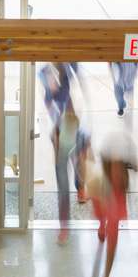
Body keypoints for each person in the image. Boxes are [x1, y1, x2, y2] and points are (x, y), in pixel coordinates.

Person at [91, 130, 137, 277]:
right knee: (103, 220)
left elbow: (136, 167)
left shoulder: (117, 162)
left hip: (114, 202)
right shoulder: (104, 173)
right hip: (106, 196)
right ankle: (102, 227)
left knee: (112, 237)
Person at [40, 63, 81, 242]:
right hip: (60, 136)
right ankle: (64, 226)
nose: (52, 83)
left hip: (72, 129)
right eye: (49, 81)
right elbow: (51, 108)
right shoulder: (48, 89)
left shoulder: (66, 76)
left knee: (78, 166)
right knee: (62, 186)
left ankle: (81, 186)